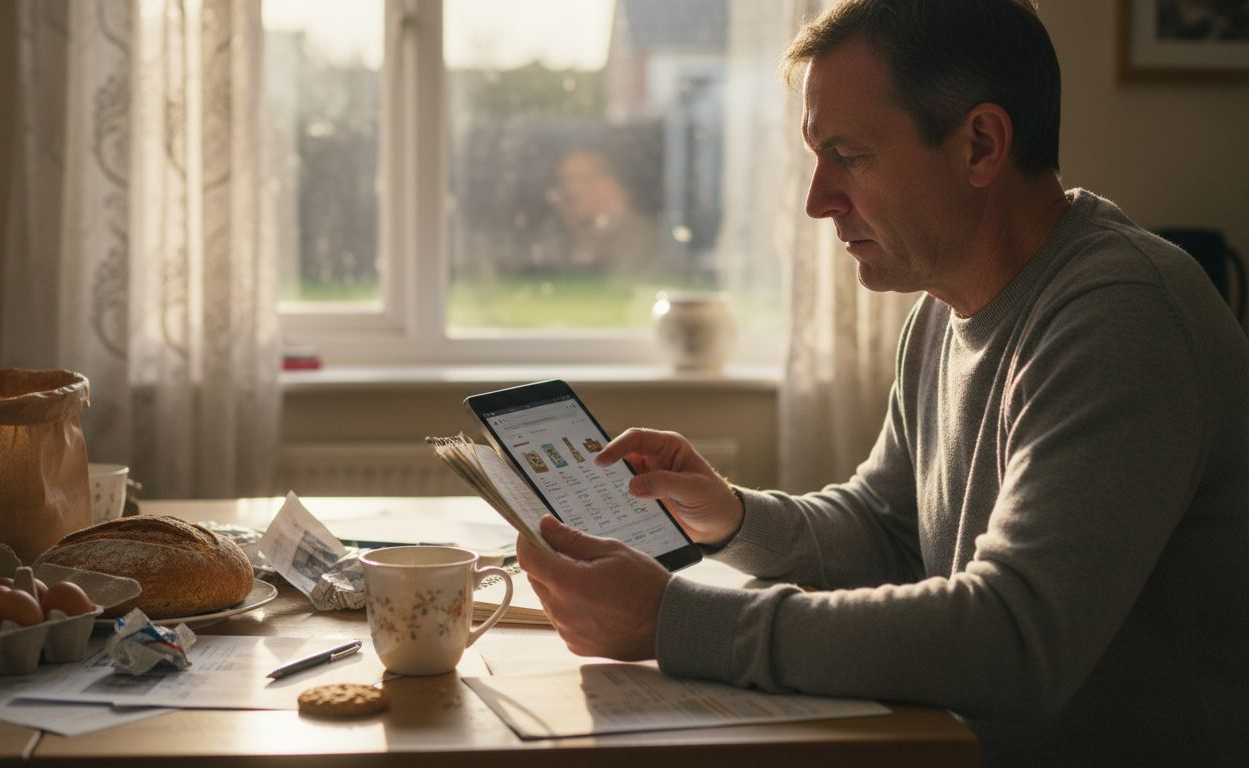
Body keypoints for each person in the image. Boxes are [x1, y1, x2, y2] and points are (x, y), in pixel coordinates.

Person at [515, 1, 1249, 766]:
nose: (817, 200)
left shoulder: (1122, 316)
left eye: (850, 155)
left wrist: (673, 621)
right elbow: (888, 528)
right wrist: (731, 518)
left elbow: (1015, 638)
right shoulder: (944, 310)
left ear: (981, 146)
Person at [531, 147, 661, 278]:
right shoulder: (550, 241)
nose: (571, 190)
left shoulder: (640, 242)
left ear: (615, 185)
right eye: (564, 180)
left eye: (585, 179)